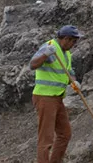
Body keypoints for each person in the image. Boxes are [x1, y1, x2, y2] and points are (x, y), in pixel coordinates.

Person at [29, 25, 84, 163]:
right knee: (46, 138)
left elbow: (69, 72)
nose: (74, 44)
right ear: (66, 39)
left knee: (65, 134)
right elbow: (32, 64)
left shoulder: (66, 54)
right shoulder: (49, 47)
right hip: (45, 97)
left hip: (58, 97)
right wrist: (45, 54)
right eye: (73, 41)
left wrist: (74, 82)